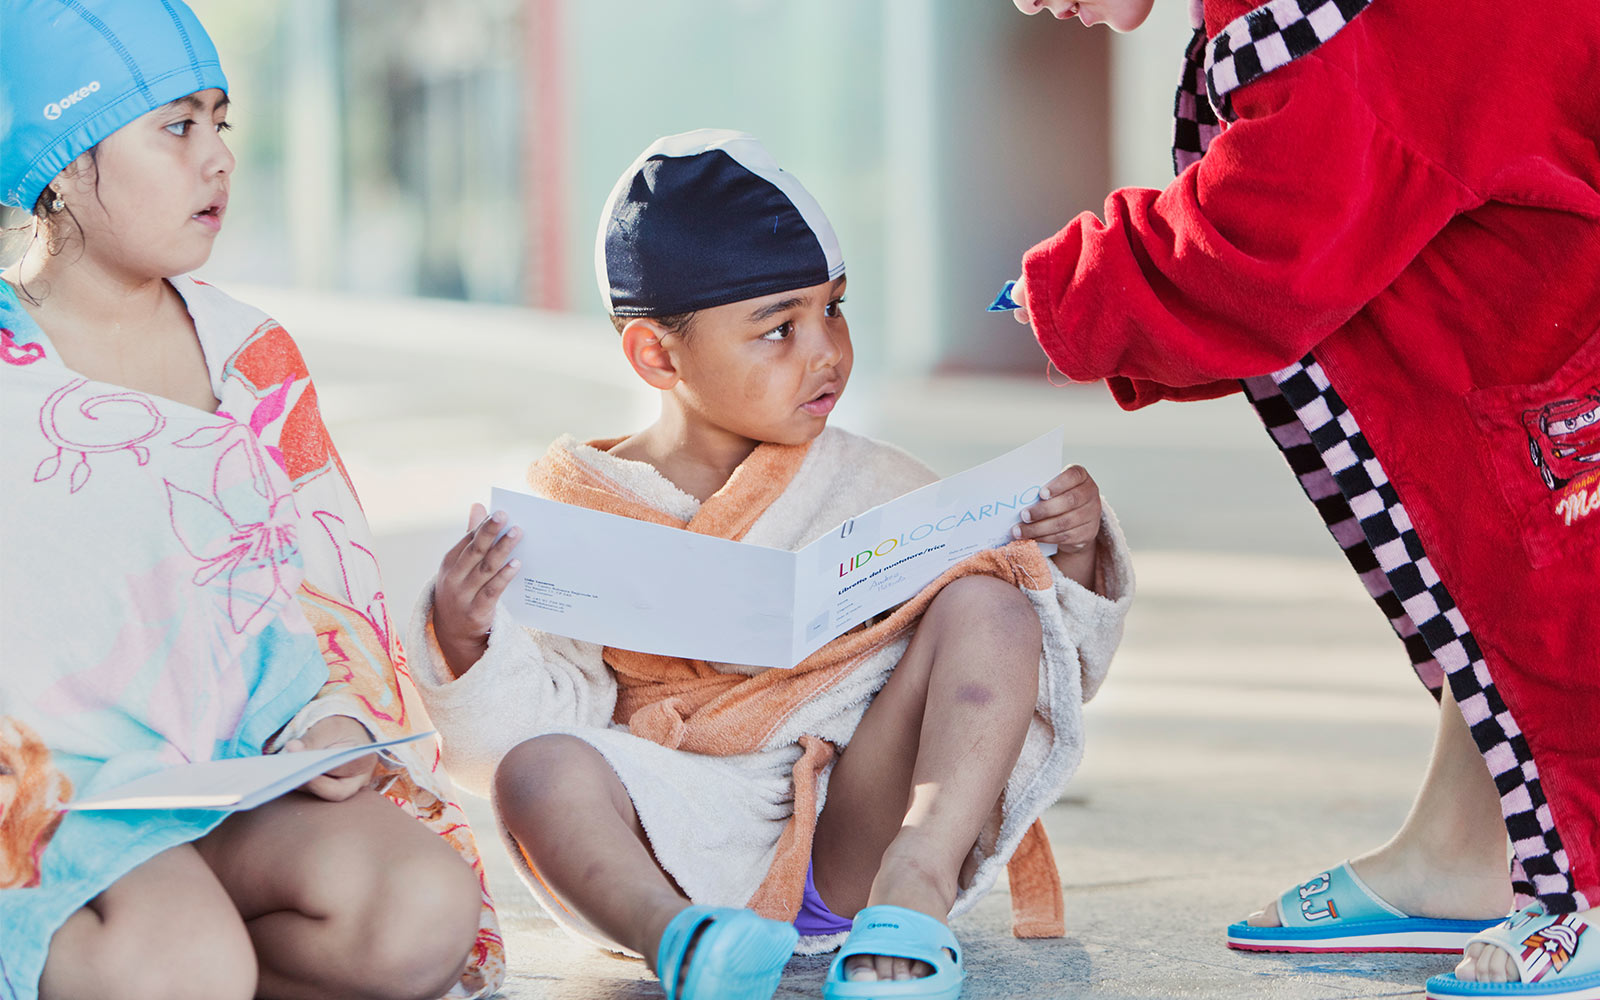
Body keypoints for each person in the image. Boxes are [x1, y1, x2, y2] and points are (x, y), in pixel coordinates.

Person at [406, 129, 1135, 1000]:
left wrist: (1076, 548)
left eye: (835, 307)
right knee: (538, 772)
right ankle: (676, 938)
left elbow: (1049, 674)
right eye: (779, 327)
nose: (825, 350)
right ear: (656, 355)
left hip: (855, 821)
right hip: (679, 827)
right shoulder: (577, 513)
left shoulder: (875, 479)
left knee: (993, 605)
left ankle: (920, 887)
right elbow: (504, 743)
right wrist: (465, 630)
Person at [1006, 0, 1600, 997]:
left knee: (1564, 589)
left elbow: (1271, 242)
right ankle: (1467, 844)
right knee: (1490, 569)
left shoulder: (1349, 25)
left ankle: (1583, 880)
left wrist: (1076, 288)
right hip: (1519, 290)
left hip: (1557, 326)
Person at [0, 3, 506, 998]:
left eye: (218, 122)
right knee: (181, 965)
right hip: (46, 796)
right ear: (60, 160)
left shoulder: (251, 355)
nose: (217, 159)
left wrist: (331, 724)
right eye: (175, 126)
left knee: (417, 908)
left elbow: (326, 603)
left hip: (225, 777)